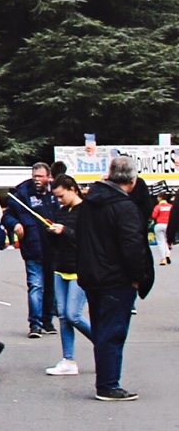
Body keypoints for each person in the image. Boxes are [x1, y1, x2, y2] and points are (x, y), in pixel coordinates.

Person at [74, 154, 155, 401]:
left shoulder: (90, 202)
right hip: (117, 277)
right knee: (113, 332)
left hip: (92, 275)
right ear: (132, 179)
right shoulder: (124, 207)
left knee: (102, 329)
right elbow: (133, 247)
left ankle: (106, 381)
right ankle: (108, 384)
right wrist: (137, 277)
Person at [39, 176, 92, 376]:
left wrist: (65, 231)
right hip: (61, 268)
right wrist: (52, 232)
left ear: (72, 189)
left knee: (73, 314)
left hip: (80, 269)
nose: (59, 200)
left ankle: (102, 342)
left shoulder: (87, 211)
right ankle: (68, 360)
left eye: (61, 196)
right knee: (63, 316)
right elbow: (57, 242)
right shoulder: (62, 212)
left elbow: (88, 241)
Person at [5, 163, 59, 337]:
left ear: (48, 177)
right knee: (36, 285)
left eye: (40, 176)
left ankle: (47, 319)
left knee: (51, 286)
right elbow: (7, 215)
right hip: (33, 247)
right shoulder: (22, 194)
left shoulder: (55, 194)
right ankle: (34, 324)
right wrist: (15, 224)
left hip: (53, 247)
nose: (37, 180)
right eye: (35, 176)